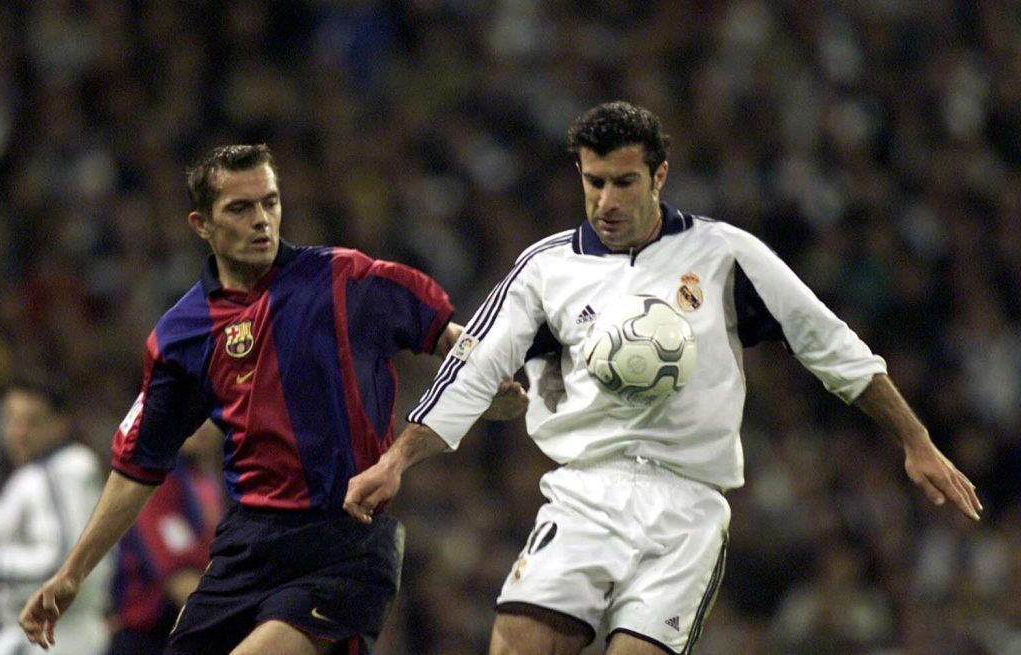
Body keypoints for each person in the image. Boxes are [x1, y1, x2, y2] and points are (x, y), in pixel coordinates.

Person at [343, 101, 983, 655]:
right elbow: (474, 366)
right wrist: (397, 460)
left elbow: (829, 343)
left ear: (659, 176)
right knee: (517, 642)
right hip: (585, 492)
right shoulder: (545, 268)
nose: (606, 201)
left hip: (687, 505)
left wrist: (916, 440)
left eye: (624, 182)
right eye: (594, 182)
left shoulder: (725, 254)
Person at [18, 144, 525, 655]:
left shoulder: (343, 279)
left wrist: (487, 384)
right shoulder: (181, 335)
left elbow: (452, 338)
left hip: (343, 544)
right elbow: (137, 466)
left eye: (270, 202)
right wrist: (71, 573)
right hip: (246, 549)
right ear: (201, 225)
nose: (261, 219)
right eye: (240, 208)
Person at [0, 375, 111, 655]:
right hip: (45, 635)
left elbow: (60, 560)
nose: (19, 433)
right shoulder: (36, 473)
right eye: (12, 420)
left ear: (60, 423)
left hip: (57, 638)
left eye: (32, 422)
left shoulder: (64, 469)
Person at [106, 420, 224, 655]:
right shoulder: (154, 481)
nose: (202, 423)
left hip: (194, 628)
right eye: (189, 410)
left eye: (210, 411)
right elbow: (179, 580)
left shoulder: (214, 481)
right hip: (148, 637)